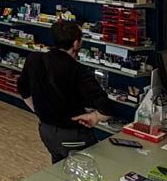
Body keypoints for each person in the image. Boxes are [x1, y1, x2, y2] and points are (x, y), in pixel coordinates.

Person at [18, 20, 116, 163]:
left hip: (46, 131)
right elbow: (106, 107)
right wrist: (95, 116)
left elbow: (23, 88)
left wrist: (40, 111)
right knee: (90, 169)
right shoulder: (78, 70)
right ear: (76, 43)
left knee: (59, 166)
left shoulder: (34, 59)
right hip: (73, 135)